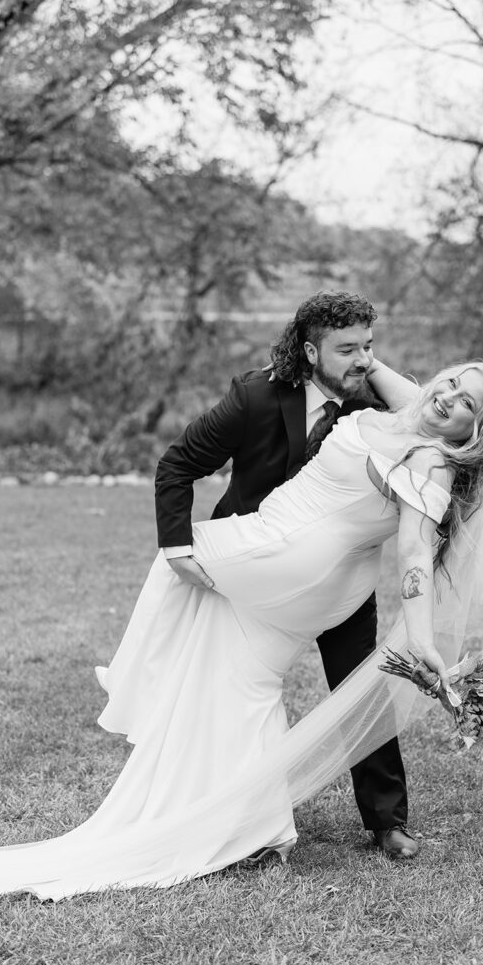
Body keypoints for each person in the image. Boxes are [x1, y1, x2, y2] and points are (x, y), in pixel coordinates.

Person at [0, 359, 483, 901]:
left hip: (291, 563)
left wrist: (423, 638)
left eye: (465, 405)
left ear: (475, 431)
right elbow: (424, 395)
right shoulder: (413, 413)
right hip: (296, 562)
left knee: (185, 551)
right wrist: (369, 358)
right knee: (241, 680)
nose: (448, 398)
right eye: (450, 383)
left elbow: (413, 551)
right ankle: (253, 823)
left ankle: (133, 687)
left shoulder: (431, 460)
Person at [155, 291, 418, 860]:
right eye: (346, 349)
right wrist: (178, 547)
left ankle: (387, 820)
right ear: (309, 350)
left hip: (343, 577)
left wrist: (370, 367)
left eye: (369, 346)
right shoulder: (254, 396)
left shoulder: (376, 406)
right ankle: (241, 818)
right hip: (259, 571)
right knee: (238, 691)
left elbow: (427, 413)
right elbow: (178, 465)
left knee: (363, 688)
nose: (362, 360)